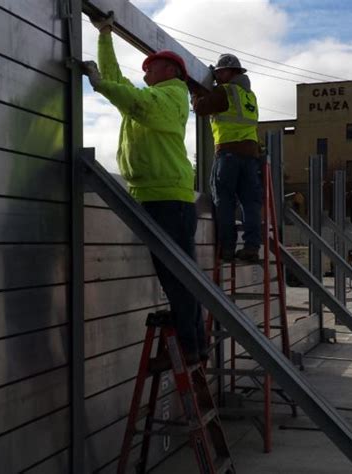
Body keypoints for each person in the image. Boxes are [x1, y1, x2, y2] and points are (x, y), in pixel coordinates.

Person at [82, 13, 206, 367]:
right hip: (154, 197)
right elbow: (117, 81)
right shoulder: (156, 96)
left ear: (171, 71)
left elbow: (133, 100)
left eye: (152, 67)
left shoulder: (172, 97)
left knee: (179, 277)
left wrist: (102, 85)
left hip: (169, 199)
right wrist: (104, 35)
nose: (145, 73)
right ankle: (194, 344)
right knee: (176, 275)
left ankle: (190, 346)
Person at [191, 54, 262, 263]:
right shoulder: (250, 96)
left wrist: (195, 91)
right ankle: (251, 247)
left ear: (231, 72)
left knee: (224, 202)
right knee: (251, 203)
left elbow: (200, 108)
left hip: (228, 153)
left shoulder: (225, 91)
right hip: (251, 156)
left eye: (220, 72)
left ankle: (227, 249)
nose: (218, 75)